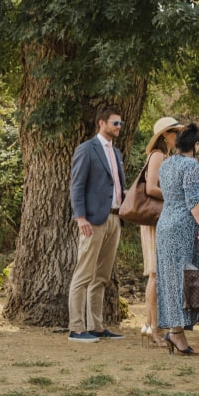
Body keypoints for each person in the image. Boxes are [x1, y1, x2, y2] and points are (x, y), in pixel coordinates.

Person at [68, 106, 127, 343]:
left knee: (101, 277)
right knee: (83, 275)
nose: (119, 127)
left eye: (120, 124)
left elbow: (117, 187)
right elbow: (77, 186)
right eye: (115, 123)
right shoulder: (87, 149)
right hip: (92, 220)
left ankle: (96, 326)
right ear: (101, 123)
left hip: (114, 218)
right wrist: (81, 217)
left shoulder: (117, 153)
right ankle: (76, 328)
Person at [155, 123, 199, 355]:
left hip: (166, 223)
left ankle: (175, 330)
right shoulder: (191, 165)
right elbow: (192, 197)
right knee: (188, 277)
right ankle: (177, 333)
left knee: (172, 279)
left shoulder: (166, 163)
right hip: (184, 226)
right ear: (196, 145)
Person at [140, 116, 183, 347]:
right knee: (156, 273)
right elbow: (151, 187)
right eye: (175, 131)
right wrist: (176, 196)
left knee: (160, 273)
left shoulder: (168, 156)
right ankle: (156, 329)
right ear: (165, 135)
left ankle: (150, 325)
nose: (178, 135)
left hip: (164, 218)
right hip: (155, 220)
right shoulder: (157, 155)